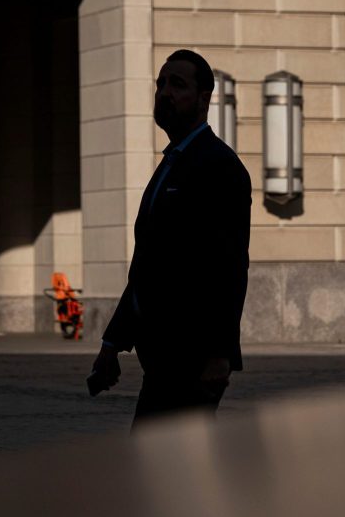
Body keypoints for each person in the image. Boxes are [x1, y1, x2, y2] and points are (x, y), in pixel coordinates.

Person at [89, 49, 251, 428]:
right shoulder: (170, 164)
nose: (164, 92)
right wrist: (112, 344)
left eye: (177, 84)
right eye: (160, 84)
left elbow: (229, 266)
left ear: (204, 97)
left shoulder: (219, 166)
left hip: (191, 360)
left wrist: (219, 355)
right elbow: (147, 262)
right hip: (160, 358)